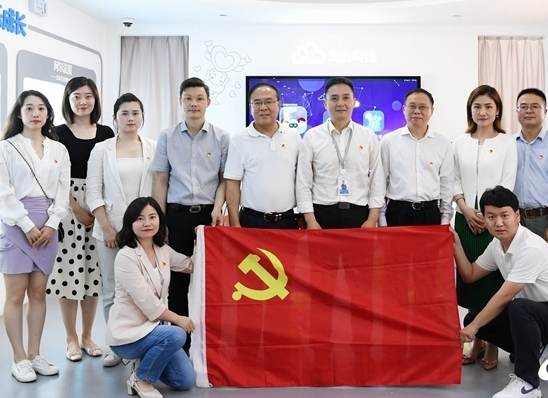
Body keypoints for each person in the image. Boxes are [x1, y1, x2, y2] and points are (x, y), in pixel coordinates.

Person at [456, 186, 548, 398]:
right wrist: (456, 245)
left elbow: (504, 297)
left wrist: (473, 327)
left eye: (504, 215)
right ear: (485, 219)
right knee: (474, 318)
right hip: (540, 316)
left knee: (516, 307)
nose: (499, 223)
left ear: (517, 216)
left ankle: (529, 385)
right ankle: (542, 349)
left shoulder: (530, 248)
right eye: (491, 217)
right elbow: (470, 275)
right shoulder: (497, 245)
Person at [0, 90, 70, 382]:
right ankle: (19, 359)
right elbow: (2, 193)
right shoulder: (5, 148)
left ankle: (35, 354)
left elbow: (63, 190)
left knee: (38, 293)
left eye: (41, 108)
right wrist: (26, 224)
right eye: (29, 108)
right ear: (19, 113)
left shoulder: (58, 150)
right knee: (15, 295)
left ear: (48, 113)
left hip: (47, 227)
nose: (36, 113)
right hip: (16, 226)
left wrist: (52, 223)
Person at [152, 77, 229, 354]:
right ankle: (179, 347)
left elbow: (225, 179)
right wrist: (160, 221)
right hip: (177, 216)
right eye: (188, 98)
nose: (193, 103)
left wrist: (218, 209)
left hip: (209, 217)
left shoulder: (222, 137)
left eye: (199, 98)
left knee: (213, 281)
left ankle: (211, 345)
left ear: (208, 102)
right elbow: (161, 180)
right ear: (181, 101)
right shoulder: (167, 136)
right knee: (177, 284)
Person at [45, 77, 115, 362]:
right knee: (68, 273)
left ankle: (87, 336)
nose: (83, 101)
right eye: (76, 96)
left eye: (88, 96)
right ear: (68, 100)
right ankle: (71, 338)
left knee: (94, 274)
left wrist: (99, 211)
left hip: (101, 204)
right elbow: (54, 177)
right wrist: (74, 207)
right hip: (67, 206)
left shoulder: (106, 132)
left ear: (95, 99)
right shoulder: (57, 133)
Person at [85, 93, 156, 367]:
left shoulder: (153, 147)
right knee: (112, 291)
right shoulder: (101, 149)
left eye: (135, 113)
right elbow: (93, 192)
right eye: (124, 113)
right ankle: (115, 345)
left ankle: (143, 342)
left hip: (145, 230)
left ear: (142, 116)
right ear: (115, 117)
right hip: (111, 229)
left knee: (146, 288)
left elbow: (159, 188)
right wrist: (106, 227)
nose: (130, 118)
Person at [453, 85, 517, 370]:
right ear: (470, 110)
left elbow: (508, 182)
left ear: (497, 110)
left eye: (488, 107)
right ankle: (476, 342)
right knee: (471, 283)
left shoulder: (507, 142)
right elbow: (453, 179)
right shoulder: (459, 142)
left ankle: (492, 343)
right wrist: (466, 210)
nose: (482, 112)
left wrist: (490, 217)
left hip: (496, 222)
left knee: (494, 282)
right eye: (477, 106)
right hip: (465, 219)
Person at [107, 197, 195, 397]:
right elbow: (148, 304)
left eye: (152, 217)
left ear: (160, 220)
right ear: (130, 223)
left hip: (154, 331)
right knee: (177, 334)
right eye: (140, 218)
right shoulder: (126, 256)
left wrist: (203, 243)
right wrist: (178, 319)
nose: (147, 223)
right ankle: (141, 379)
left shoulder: (162, 249)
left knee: (184, 381)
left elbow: (189, 265)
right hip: (128, 334)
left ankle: (144, 360)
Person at [296, 77, 385, 229]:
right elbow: (303, 182)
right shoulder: (312, 136)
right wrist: (310, 220)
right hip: (322, 213)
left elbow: (377, 179)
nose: (340, 103)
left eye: (346, 98)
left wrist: (372, 219)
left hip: (359, 213)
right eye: (334, 98)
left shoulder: (368, 136)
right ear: (325, 103)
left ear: (354, 102)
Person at [225, 83, 301, 229]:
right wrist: (235, 224)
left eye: (269, 101)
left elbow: (301, 179)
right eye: (257, 103)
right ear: (251, 106)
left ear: (278, 104)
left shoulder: (294, 137)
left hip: (287, 220)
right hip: (251, 220)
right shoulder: (239, 139)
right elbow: (233, 183)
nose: (263, 107)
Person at [379, 88, 454, 226]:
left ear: (432, 111)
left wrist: (445, 220)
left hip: (430, 213)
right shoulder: (388, 141)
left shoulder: (443, 143)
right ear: (404, 109)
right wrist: (382, 220)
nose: (417, 111)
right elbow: (381, 182)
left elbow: (446, 184)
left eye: (423, 107)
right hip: (397, 212)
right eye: (412, 106)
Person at [512, 88, 548, 247]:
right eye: (523, 107)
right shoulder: (508, 143)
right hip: (514, 219)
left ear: (545, 111)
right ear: (517, 111)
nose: (528, 110)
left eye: (535, 106)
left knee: (545, 262)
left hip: (544, 219)